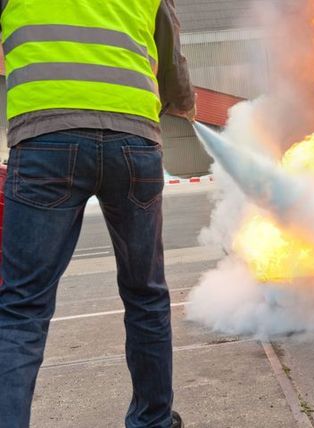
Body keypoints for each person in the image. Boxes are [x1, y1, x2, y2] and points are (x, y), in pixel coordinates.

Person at [0, 0, 195, 427]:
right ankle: (153, 420)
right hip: (133, 140)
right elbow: (172, 59)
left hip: (45, 136)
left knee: (22, 307)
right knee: (146, 293)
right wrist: (180, 103)